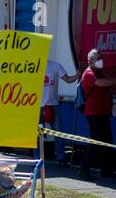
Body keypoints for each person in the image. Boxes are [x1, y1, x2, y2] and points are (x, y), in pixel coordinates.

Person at [79, 49, 116, 180]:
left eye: (101, 57)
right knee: (95, 142)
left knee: (107, 142)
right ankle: (84, 170)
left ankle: (106, 170)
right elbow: (101, 83)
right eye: (98, 58)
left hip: (103, 113)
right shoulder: (89, 73)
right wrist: (113, 80)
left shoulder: (99, 72)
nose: (101, 60)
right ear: (91, 60)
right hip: (94, 114)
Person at [37, 60, 80, 166]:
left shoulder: (55, 65)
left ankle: (61, 158)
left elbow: (68, 79)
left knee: (58, 132)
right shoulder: (33, 65)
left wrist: (77, 75)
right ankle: (38, 158)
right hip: (39, 106)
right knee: (38, 134)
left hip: (53, 104)